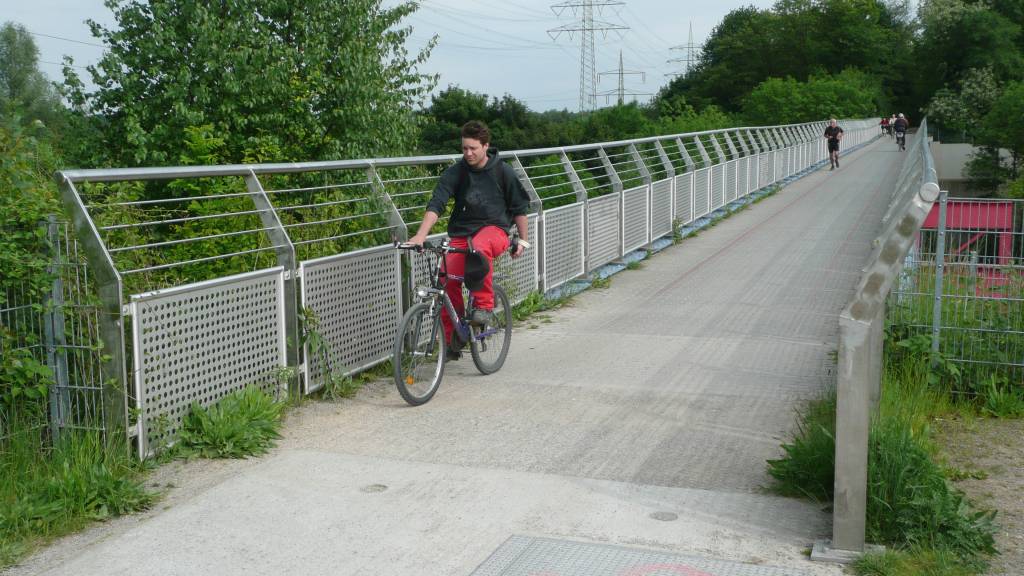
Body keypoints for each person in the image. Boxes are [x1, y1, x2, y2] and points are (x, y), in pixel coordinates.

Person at [408, 120, 531, 360]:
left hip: (495, 231)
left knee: (479, 247)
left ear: (486, 146)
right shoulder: (457, 172)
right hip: (462, 234)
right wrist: (421, 235)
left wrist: (523, 241)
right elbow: (437, 203)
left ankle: (484, 307)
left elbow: (519, 208)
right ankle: (453, 338)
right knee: (445, 278)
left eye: (473, 148)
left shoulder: (502, 171)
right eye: (464, 148)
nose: (468, 153)